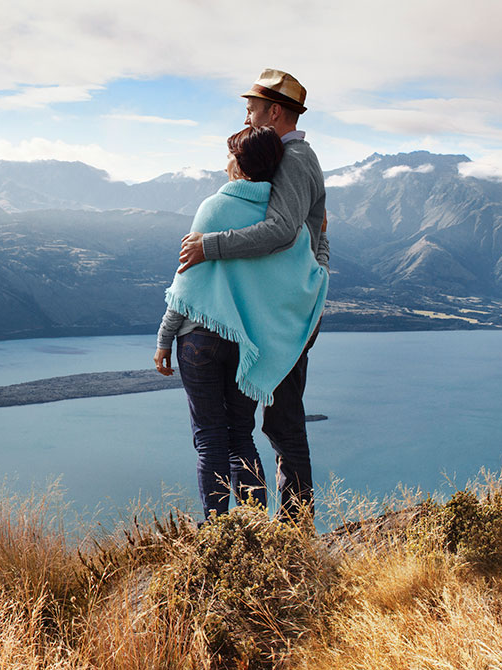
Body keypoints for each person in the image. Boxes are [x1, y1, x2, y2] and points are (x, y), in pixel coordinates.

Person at [173, 69, 331, 522]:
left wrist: (210, 246)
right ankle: (282, 528)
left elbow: (282, 232)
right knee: (272, 419)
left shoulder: (295, 158)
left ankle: (295, 529)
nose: (247, 116)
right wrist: (321, 253)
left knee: (282, 420)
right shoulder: (287, 156)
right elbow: (311, 228)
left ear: (274, 112)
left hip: (291, 307)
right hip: (282, 303)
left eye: (252, 109)